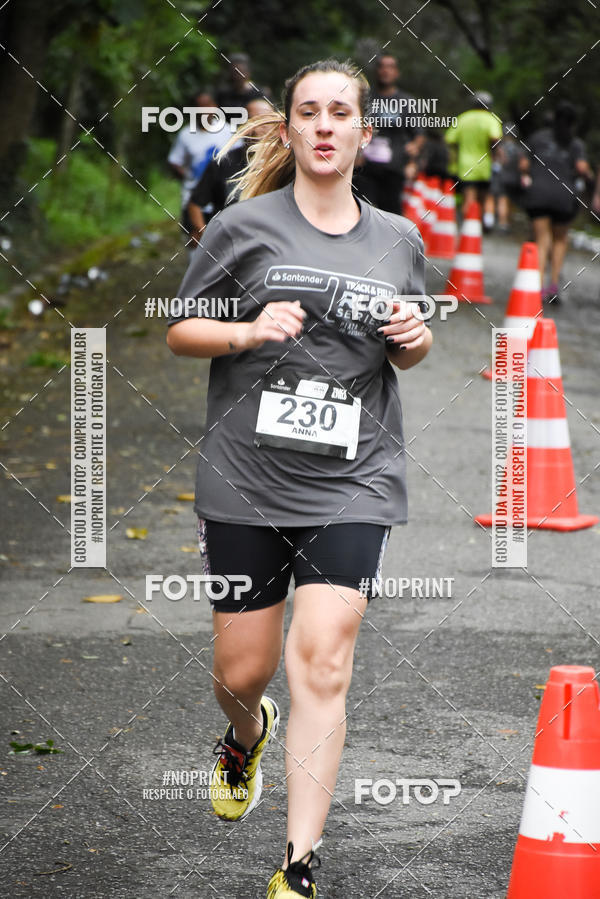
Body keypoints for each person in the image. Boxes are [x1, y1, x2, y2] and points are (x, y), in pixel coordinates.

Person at [166, 58, 432, 898]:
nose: (324, 125)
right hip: (246, 475)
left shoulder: (398, 238)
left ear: (361, 130)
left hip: (354, 478)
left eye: (339, 112)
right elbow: (180, 332)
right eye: (308, 112)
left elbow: (415, 344)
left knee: (321, 659)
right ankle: (243, 734)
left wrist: (412, 334)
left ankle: (299, 865)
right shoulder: (242, 227)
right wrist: (246, 332)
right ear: (289, 129)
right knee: (243, 671)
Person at [520, 101, 595, 302]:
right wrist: (589, 175)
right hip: (564, 196)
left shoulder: (537, 137)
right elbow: (581, 168)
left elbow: (524, 164)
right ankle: (553, 286)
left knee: (542, 240)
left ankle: (536, 286)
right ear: (573, 123)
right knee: (560, 240)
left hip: (539, 194)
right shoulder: (575, 144)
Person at [186, 97, 274, 241]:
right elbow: (195, 204)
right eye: (254, 121)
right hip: (230, 246)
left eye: (266, 121)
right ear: (243, 126)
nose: (260, 127)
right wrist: (206, 239)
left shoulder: (288, 163)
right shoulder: (223, 162)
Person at [353, 54, 424, 214]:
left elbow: (418, 135)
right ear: (376, 71)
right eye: (382, 66)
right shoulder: (364, 100)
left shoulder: (407, 101)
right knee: (362, 213)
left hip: (394, 169)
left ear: (396, 72)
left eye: (390, 66)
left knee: (391, 216)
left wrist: (413, 160)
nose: (386, 70)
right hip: (365, 168)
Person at [167, 90, 231, 247]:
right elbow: (175, 161)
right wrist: (188, 176)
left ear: (215, 107)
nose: (204, 111)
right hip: (193, 197)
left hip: (221, 198)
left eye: (207, 106)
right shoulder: (186, 135)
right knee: (195, 244)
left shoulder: (228, 131)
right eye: (199, 107)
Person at [444, 91, 503, 229]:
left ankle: (466, 226)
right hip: (485, 166)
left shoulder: (463, 118)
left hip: (466, 165)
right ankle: (477, 227)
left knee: (468, 197)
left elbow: (450, 140)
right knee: (482, 198)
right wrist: (495, 155)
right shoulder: (492, 119)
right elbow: (494, 138)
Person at [490, 122, 525, 233]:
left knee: (502, 200)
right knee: (510, 201)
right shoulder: (519, 149)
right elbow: (522, 165)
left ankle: (502, 223)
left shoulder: (500, 148)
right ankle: (508, 222)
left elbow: (496, 161)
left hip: (502, 177)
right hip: (514, 178)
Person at [216, 52, 265, 122]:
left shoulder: (259, 93)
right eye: (235, 72)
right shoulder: (223, 94)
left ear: (248, 72)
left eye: (241, 72)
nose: (238, 77)